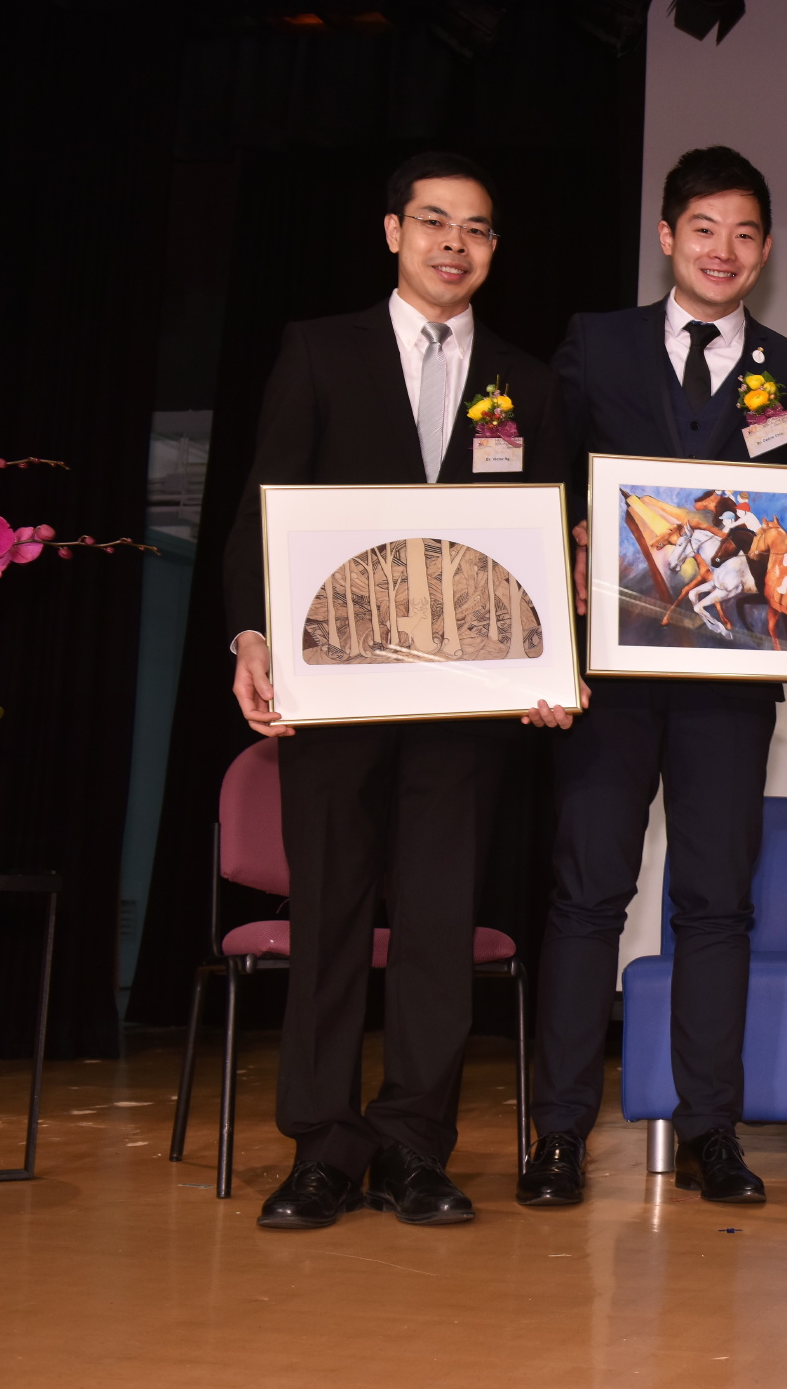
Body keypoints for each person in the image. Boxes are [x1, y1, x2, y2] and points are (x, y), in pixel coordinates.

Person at [223, 152, 572, 1230]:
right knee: (327, 917)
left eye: (476, 228)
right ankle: (322, 1149)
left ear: (493, 250)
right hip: (337, 690)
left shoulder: (529, 378)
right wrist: (250, 635)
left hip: (467, 707)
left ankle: (416, 1144)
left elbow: (548, 544)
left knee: (437, 926)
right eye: (433, 221)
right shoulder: (320, 351)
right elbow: (262, 508)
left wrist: (553, 665)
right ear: (393, 232)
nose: (454, 243)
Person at [517, 146, 787, 1209]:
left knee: (716, 905)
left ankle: (712, 1130)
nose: (724, 251)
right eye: (704, 229)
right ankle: (557, 1132)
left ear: (767, 249)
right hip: (610, 676)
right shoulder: (595, 343)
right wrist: (560, 540)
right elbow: (552, 484)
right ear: (667, 236)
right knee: (585, 897)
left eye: (745, 233)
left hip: (727, 685)